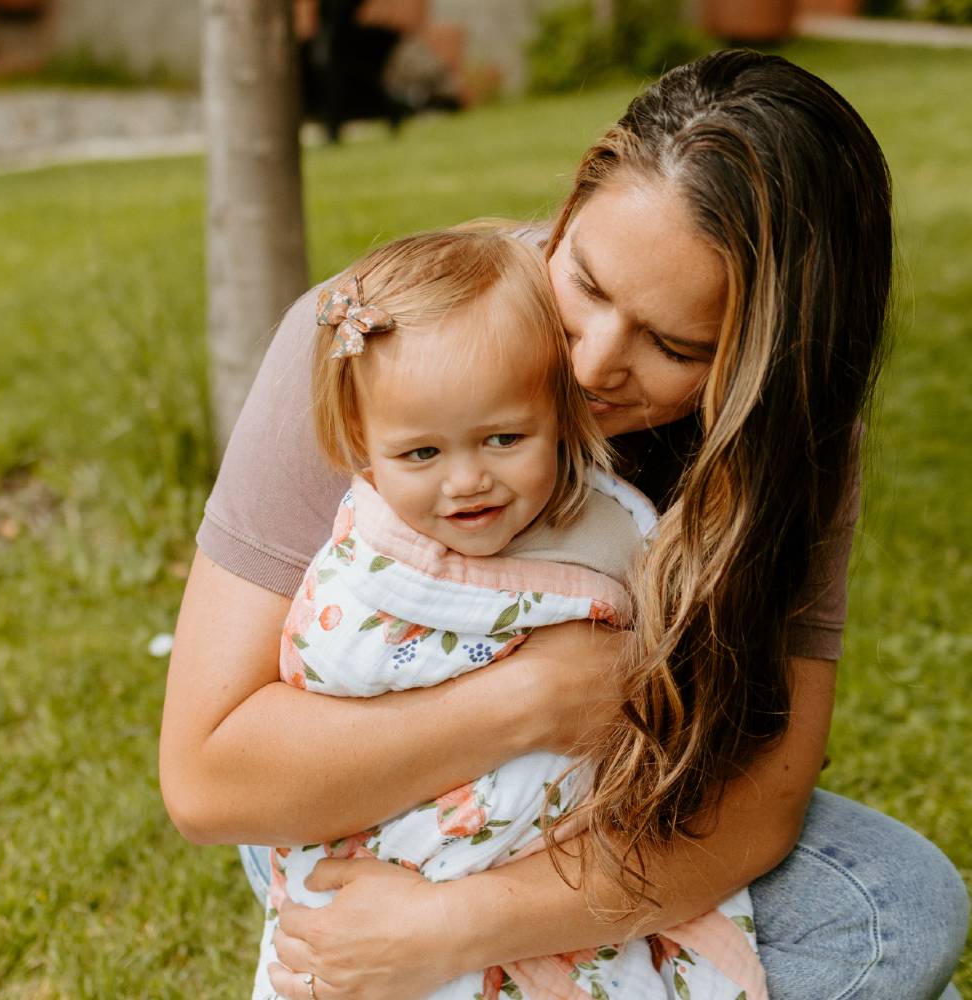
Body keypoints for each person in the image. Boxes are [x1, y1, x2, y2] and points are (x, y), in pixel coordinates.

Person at [159, 49, 969, 1000]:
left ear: (765, 372)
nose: (593, 364)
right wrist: (534, 699)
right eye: (583, 283)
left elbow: (762, 801)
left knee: (898, 909)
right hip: (363, 812)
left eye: (674, 346)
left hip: (595, 814)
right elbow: (210, 781)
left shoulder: (795, 444)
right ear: (575, 200)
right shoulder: (381, 348)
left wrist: (455, 928)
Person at [249, 227, 765, 1000]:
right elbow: (335, 666)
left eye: (504, 438)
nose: (467, 482)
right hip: (389, 839)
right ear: (362, 444)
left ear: (559, 414)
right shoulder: (372, 567)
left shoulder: (612, 525)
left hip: (564, 861)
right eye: (422, 454)